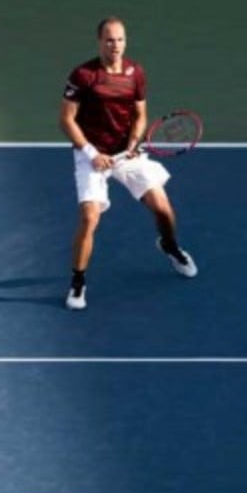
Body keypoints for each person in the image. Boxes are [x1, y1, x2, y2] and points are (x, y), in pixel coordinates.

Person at [59, 16, 197, 310]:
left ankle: (170, 247)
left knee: (163, 209)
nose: (116, 45)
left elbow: (140, 115)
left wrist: (133, 143)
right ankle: (78, 282)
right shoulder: (84, 75)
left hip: (125, 153)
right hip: (92, 155)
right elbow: (66, 120)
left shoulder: (136, 73)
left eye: (120, 39)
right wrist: (92, 154)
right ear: (100, 42)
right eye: (110, 40)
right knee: (89, 217)